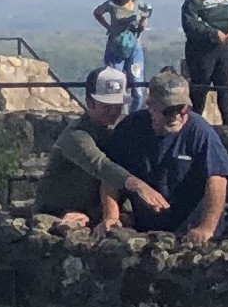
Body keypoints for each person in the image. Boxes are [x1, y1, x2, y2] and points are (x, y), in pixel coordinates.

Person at [32, 67, 170, 231]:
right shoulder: (75, 136)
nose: (113, 112)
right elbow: (100, 165)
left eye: (117, 106)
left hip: (93, 212)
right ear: (90, 103)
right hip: (55, 212)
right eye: (106, 106)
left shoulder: (119, 131)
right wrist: (138, 185)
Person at [105, 73, 228, 242]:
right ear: (150, 106)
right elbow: (110, 173)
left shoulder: (200, 131)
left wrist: (206, 227)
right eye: (170, 110)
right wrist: (111, 216)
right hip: (145, 231)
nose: (178, 115)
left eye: (183, 109)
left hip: (191, 234)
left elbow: (217, 179)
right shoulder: (130, 128)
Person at [93, 0, 151, 93]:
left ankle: (136, 105)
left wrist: (144, 19)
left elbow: (142, 27)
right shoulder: (112, 4)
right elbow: (97, 13)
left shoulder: (139, 5)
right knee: (115, 82)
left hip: (134, 45)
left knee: (137, 83)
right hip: (116, 47)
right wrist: (108, 27)